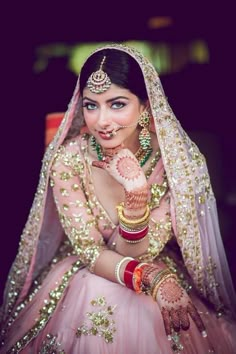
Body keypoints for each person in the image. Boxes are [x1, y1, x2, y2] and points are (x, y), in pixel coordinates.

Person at [0, 43, 235, 354]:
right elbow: (90, 250)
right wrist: (151, 276)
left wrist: (137, 191)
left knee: (147, 309)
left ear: (146, 107)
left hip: (147, 257)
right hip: (87, 268)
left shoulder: (173, 165)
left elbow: (137, 252)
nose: (101, 121)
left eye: (117, 104)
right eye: (91, 105)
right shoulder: (68, 160)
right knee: (104, 294)